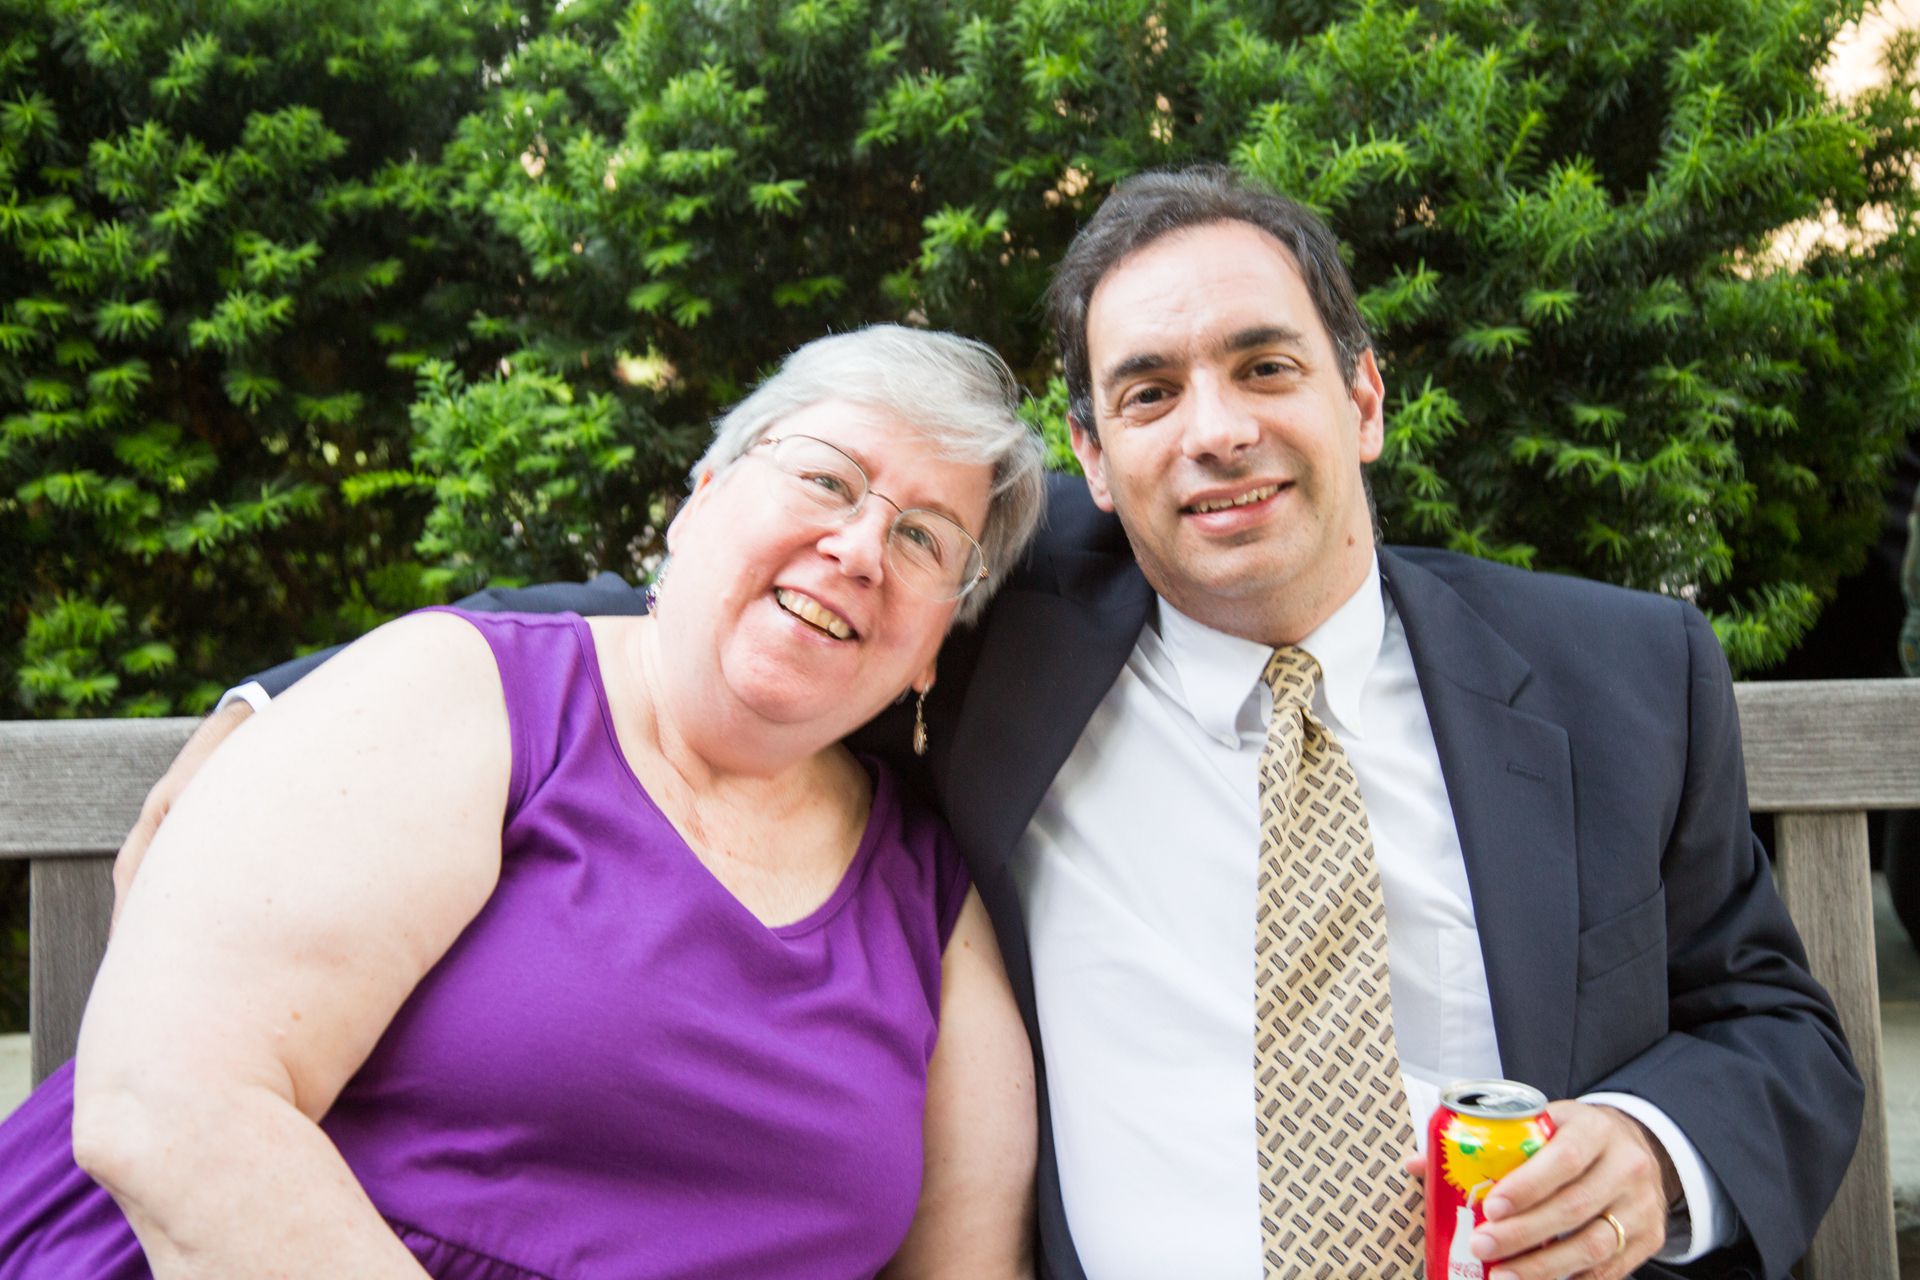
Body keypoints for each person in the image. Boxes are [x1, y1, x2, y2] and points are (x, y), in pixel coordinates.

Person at [116, 170, 1860, 1280]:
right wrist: (294, 697)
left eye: (1265, 367)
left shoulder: (1621, 670)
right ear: (1093, 458)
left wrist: (1658, 1152)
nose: (1214, 430)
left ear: (1364, 397)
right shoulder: (1003, 631)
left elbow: (1770, 1021)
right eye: (1148, 392)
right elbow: (718, 602)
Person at [0, 325, 1046, 1279]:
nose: (860, 551)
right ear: (699, 501)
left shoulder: (929, 910)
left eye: (924, 538)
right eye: (826, 478)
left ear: (935, 649)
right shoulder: (468, 699)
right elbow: (170, 1102)